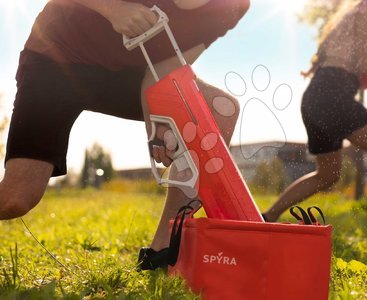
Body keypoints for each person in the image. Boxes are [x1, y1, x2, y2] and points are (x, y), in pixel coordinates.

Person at [0, 0, 250, 269]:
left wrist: (159, 127)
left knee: (220, 109)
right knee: (16, 199)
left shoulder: (232, 7)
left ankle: (163, 249)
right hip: (59, 54)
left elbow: (165, 69)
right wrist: (113, 9)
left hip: (126, 75)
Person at [262, 0, 367, 239]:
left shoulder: (352, 18)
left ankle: (267, 217)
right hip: (333, 93)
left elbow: (356, 67)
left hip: (317, 96)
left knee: (327, 175)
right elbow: (365, 63)